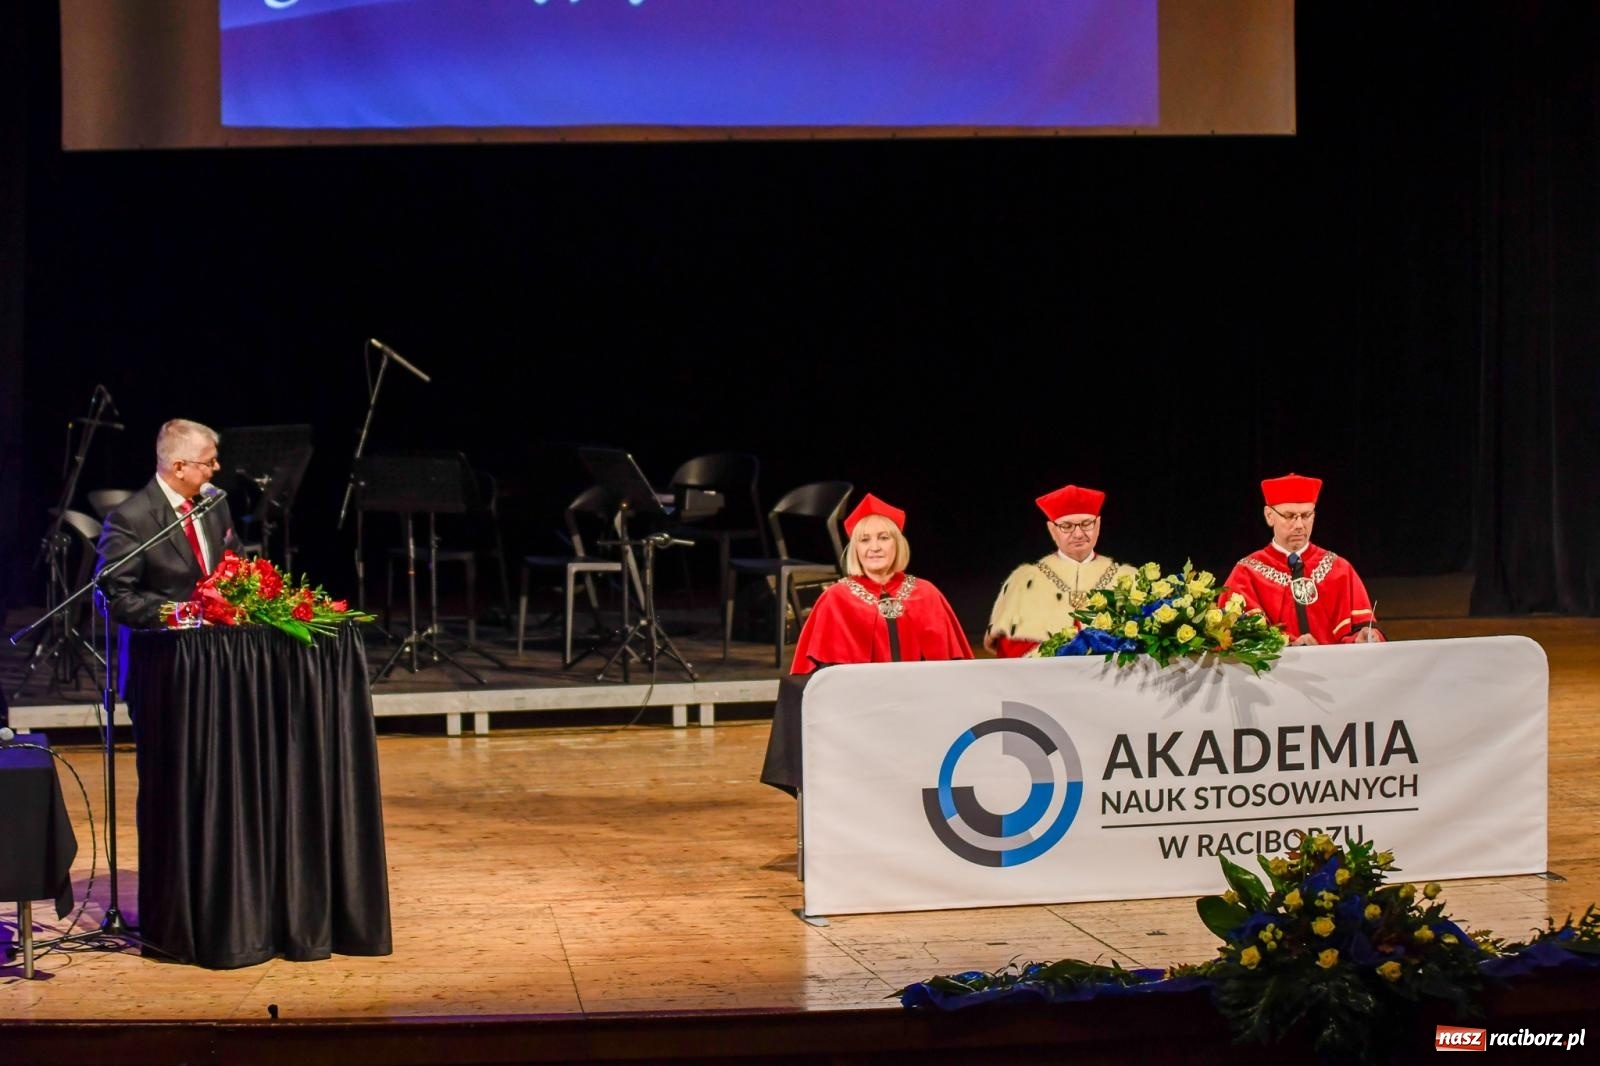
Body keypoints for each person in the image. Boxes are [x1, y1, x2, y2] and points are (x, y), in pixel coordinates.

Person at [789, 493, 972, 674]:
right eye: (864, 540)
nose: (874, 547)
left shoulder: (927, 593)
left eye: (883, 538)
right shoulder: (835, 599)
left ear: (898, 544)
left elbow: (954, 671)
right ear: (856, 548)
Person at [96, 419, 243, 628]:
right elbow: (116, 598)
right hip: (164, 650)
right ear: (179, 467)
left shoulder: (215, 503)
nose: (217, 467)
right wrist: (182, 614)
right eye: (209, 462)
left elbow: (237, 561)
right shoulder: (130, 519)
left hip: (219, 644)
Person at [1223, 473, 1383, 646]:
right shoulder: (1246, 573)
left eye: (1306, 515)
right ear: (1269, 516)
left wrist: (1365, 637)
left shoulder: (1340, 569)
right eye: (1289, 516)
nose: (1299, 525)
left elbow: (1361, 629)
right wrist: (1290, 647)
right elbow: (1238, 640)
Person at [983, 484, 1137, 658]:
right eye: (1067, 526)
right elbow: (1010, 649)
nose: (1078, 534)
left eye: (1086, 524)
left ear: (1098, 525)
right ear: (1052, 529)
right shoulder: (1025, 580)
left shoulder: (1126, 578)